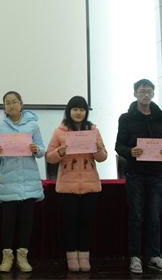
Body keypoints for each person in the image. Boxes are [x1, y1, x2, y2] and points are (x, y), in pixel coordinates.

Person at [115, 79, 162, 274]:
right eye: (142, 91)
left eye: (149, 91)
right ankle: (135, 257)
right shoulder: (126, 118)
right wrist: (130, 151)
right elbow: (118, 146)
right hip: (135, 175)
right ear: (135, 94)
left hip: (156, 175)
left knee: (154, 217)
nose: (146, 94)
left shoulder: (160, 117)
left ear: (153, 94)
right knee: (136, 216)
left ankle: (155, 256)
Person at [45, 96, 107, 272]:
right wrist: (60, 151)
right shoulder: (59, 132)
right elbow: (49, 157)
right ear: (69, 111)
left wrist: (98, 148)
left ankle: (84, 258)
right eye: (75, 109)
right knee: (70, 223)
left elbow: (103, 157)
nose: (78, 112)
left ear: (86, 112)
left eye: (82, 109)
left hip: (90, 184)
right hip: (67, 185)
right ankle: (72, 258)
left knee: (86, 223)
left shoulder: (93, 131)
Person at [0, 91, 45, 273]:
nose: (11, 105)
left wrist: (36, 149)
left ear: (21, 104)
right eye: (7, 103)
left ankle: (22, 256)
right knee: (8, 222)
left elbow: (42, 150)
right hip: (9, 180)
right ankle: (7, 257)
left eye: (14, 102)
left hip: (29, 180)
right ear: (4, 106)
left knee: (26, 221)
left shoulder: (33, 126)